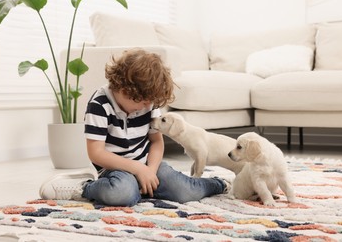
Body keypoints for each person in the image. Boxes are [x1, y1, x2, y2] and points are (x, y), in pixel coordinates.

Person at [39, 48, 230, 206]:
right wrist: (137, 170)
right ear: (124, 90)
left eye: (150, 103)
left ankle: (219, 183)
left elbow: (156, 142)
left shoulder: (149, 103)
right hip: (115, 168)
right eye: (143, 102)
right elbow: (96, 153)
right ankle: (84, 187)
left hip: (148, 165)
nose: (147, 107)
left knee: (184, 191)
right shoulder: (99, 105)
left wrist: (150, 171)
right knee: (121, 194)